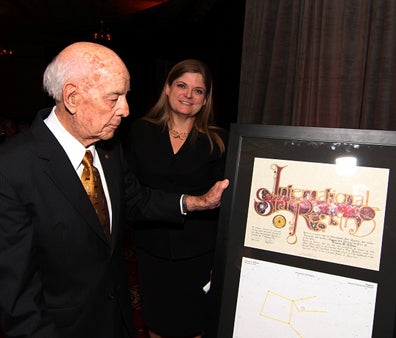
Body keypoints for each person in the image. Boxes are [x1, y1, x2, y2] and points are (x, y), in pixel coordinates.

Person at [0, 42, 229, 338]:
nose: (126, 109)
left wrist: (196, 202)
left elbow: (137, 200)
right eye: (114, 98)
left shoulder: (108, 150)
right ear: (72, 97)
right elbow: (16, 297)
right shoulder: (11, 168)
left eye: (126, 96)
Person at [126, 59, 227, 338]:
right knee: (156, 322)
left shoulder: (218, 140)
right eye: (182, 85)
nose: (188, 95)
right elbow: (131, 191)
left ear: (205, 99)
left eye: (198, 91)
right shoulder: (141, 131)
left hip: (197, 250)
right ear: (168, 88)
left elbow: (223, 202)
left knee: (194, 324)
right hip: (151, 245)